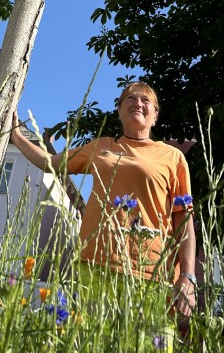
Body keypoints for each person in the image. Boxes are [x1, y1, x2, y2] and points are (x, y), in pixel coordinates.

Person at [10, 81, 197, 318]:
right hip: (96, 264)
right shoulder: (101, 147)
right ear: (119, 111)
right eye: (130, 98)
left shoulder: (173, 157)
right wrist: (16, 135)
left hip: (152, 272)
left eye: (145, 100)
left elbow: (184, 220)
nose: (137, 103)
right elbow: (50, 163)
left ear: (155, 116)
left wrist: (187, 275)